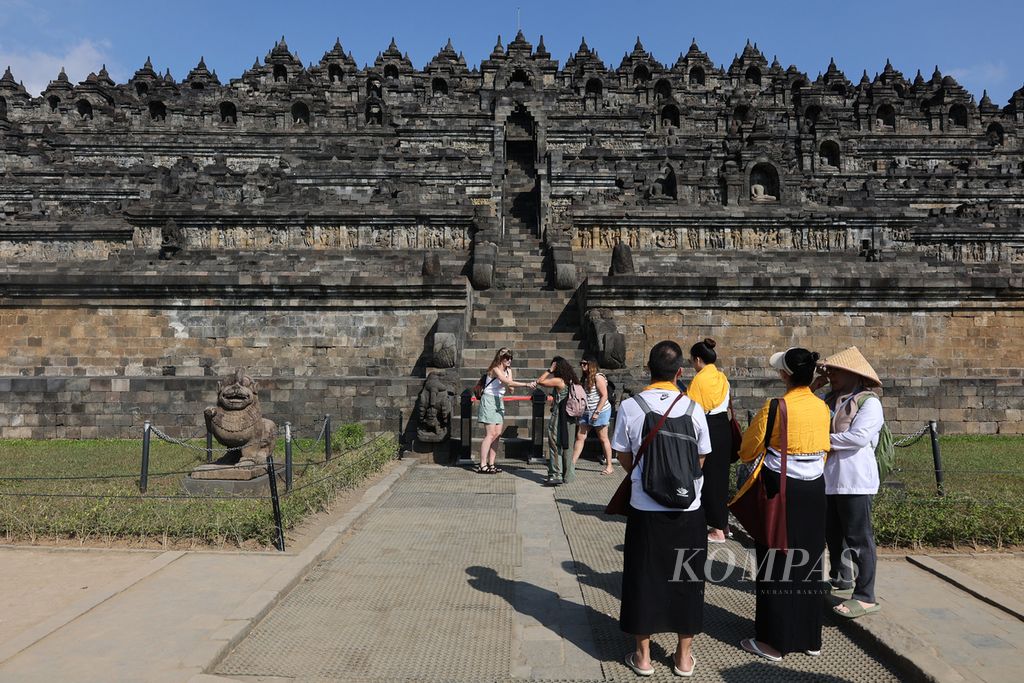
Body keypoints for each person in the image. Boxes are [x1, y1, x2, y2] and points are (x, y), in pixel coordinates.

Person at [611, 340, 711, 677]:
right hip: (689, 508)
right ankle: (683, 658)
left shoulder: (631, 406)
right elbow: (701, 459)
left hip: (645, 507)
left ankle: (643, 657)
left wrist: (645, 478)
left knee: (643, 577)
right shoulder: (694, 408)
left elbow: (623, 454)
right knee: (687, 578)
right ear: (679, 372)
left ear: (648, 370)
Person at [736, 347, 831, 661]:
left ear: (785, 375)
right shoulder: (821, 408)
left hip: (782, 490)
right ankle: (809, 638)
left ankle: (774, 642)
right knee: (810, 562)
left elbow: (748, 450)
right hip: (815, 489)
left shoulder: (775, 407)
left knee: (777, 562)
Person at [816, 346, 884, 619]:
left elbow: (857, 437)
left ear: (853, 374)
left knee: (858, 538)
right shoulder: (827, 399)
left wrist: (822, 441)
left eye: (835, 370)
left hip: (855, 480)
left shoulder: (869, 402)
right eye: (829, 370)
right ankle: (841, 578)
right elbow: (800, 411)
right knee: (833, 535)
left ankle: (866, 594)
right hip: (830, 479)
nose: (830, 374)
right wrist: (814, 384)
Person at [686, 338, 733, 544]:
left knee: (708, 479)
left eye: (691, 361)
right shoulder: (722, 377)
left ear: (697, 359)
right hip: (724, 427)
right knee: (720, 478)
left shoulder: (699, 380)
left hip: (708, 427)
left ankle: (717, 530)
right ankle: (724, 524)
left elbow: (692, 409)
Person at [476, 347, 532, 474]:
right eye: (507, 357)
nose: (509, 360)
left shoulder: (509, 370)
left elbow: (510, 385)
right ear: (500, 358)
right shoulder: (495, 368)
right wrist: (526, 384)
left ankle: (491, 464)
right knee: (490, 434)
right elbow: (505, 380)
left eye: (511, 358)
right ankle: (482, 464)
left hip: (499, 401)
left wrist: (511, 388)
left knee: (497, 434)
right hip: (489, 400)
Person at [535, 356, 578, 486]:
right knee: (567, 446)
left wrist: (549, 370)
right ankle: (568, 475)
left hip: (559, 416)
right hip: (570, 418)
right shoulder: (572, 380)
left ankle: (555, 474)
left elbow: (540, 381)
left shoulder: (559, 381)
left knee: (555, 444)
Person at [570, 352, 615, 475]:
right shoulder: (585, 378)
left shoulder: (598, 377)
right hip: (587, 411)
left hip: (600, 411)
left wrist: (597, 412)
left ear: (591, 364)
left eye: (584, 363)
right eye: (581, 364)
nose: (582, 366)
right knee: (580, 436)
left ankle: (609, 465)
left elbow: (604, 395)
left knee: (603, 438)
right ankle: (572, 463)